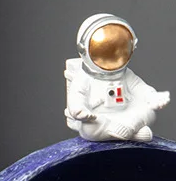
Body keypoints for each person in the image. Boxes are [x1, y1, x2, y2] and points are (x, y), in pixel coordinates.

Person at [65, 13, 170, 142]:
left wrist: (152, 96)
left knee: (149, 111)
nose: (113, 54)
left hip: (126, 115)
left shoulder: (126, 74)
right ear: (83, 49)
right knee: (89, 128)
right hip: (100, 118)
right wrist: (79, 110)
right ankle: (130, 132)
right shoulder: (84, 77)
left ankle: (129, 128)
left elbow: (139, 87)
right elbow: (77, 95)